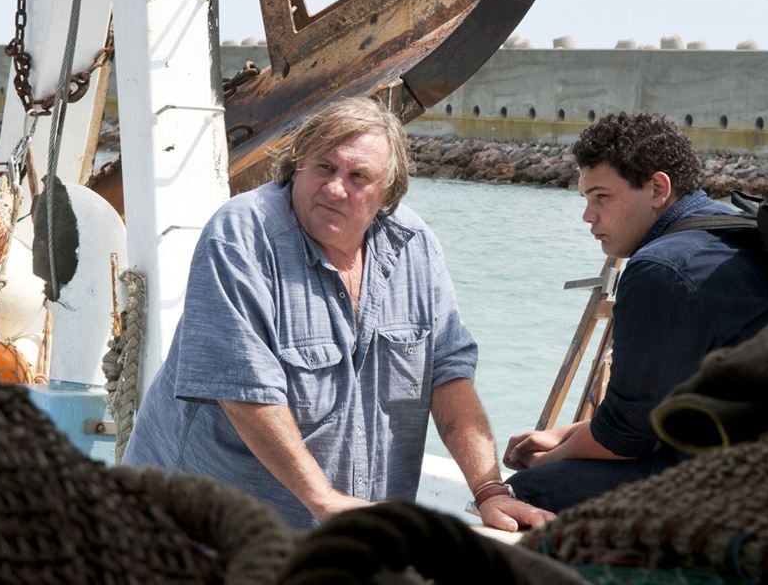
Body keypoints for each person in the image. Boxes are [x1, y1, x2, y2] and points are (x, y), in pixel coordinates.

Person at [125, 97, 553, 531]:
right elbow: (246, 393)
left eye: (358, 176)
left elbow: (447, 373)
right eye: (324, 168)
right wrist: (324, 500)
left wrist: (489, 491)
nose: (334, 188)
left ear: (386, 192)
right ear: (296, 166)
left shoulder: (415, 246)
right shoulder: (242, 235)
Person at [503, 111, 768, 512]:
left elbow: (623, 439)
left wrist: (545, 459)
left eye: (601, 197)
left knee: (530, 490)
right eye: (586, 199)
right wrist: (565, 435)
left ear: (658, 188)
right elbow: (650, 410)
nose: (588, 216)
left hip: (753, 490)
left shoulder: (662, 268)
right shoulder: (734, 228)